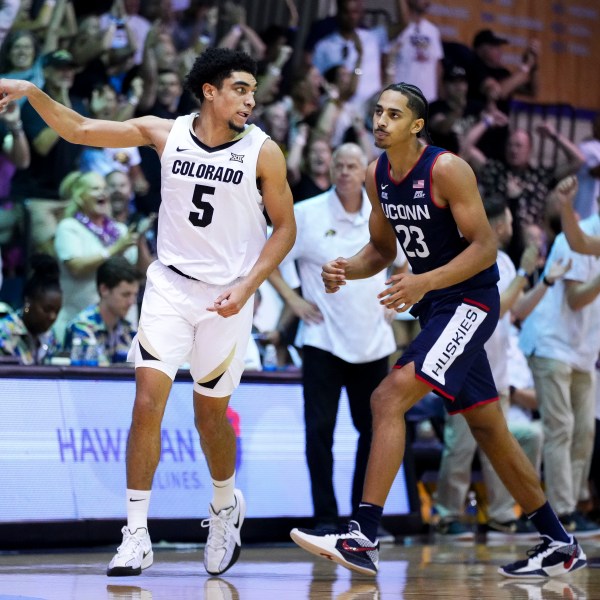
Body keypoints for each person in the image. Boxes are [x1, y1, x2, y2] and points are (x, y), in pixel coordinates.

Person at [0, 47, 296, 576]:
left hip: (228, 295)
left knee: (210, 418)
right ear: (210, 91)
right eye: (241, 89)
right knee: (146, 403)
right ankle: (136, 533)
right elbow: (80, 129)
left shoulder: (263, 152)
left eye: (253, 90)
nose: (251, 99)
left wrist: (249, 286)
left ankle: (225, 503)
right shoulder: (166, 133)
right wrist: (31, 92)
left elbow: (285, 228)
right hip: (169, 288)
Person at [289, 82, 587, 578]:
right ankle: (559, 542)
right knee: (489, 427)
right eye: (377, 112)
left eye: (393, 114)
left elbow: (486, 247)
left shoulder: (447, 169)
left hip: (470, 302)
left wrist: (423, 280)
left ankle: (362, 536)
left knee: (387, 399)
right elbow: (382, 251)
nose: (380, 121)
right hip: (436, 306)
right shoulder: (375, 174)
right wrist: (347, 268)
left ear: (417, 124)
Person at [270, 143, 396, 533]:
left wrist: (399, 294)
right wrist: (293, 299)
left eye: (352, 165)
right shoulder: (307, 214)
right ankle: (325, 517)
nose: (344, 171)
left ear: (364, 173)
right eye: (339, 165)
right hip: (322, 340)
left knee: (373, 432)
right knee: (319, 431)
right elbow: (270, 256)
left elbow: (406, 259)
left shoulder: (382, 216)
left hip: (374, 341)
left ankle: (362, 520)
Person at [434, 195, 568, 541]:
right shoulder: (471, 256)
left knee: (500, 446)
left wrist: (546, 281)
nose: (512, 227)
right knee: (460, 447)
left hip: (498, 370)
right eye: (508, 220)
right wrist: (525, 272)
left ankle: (501, 515)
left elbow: (516, 309)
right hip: (465, 366)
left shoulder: (506, 262)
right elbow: (497, 306)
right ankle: (447, 515)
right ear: (496, 225)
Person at [519, 177, 600, 537]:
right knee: (561, 427)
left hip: (583, 349)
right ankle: (562, 512)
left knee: (584, 430)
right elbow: (575, 299)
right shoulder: (576, 236)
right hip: (552, 342)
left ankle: (576, 503)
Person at [63, 255, 140, 366]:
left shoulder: (129, 330)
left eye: (134, 295)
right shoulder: (81, 327)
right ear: (104, 289)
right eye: (125, 295)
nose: (131, 302)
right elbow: (91, 376)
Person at [0, 253, 61, 364]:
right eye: (47, 310)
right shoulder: (4, 332)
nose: (52, 317)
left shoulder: (50, 337)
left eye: (57, 311)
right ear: (28, 303)